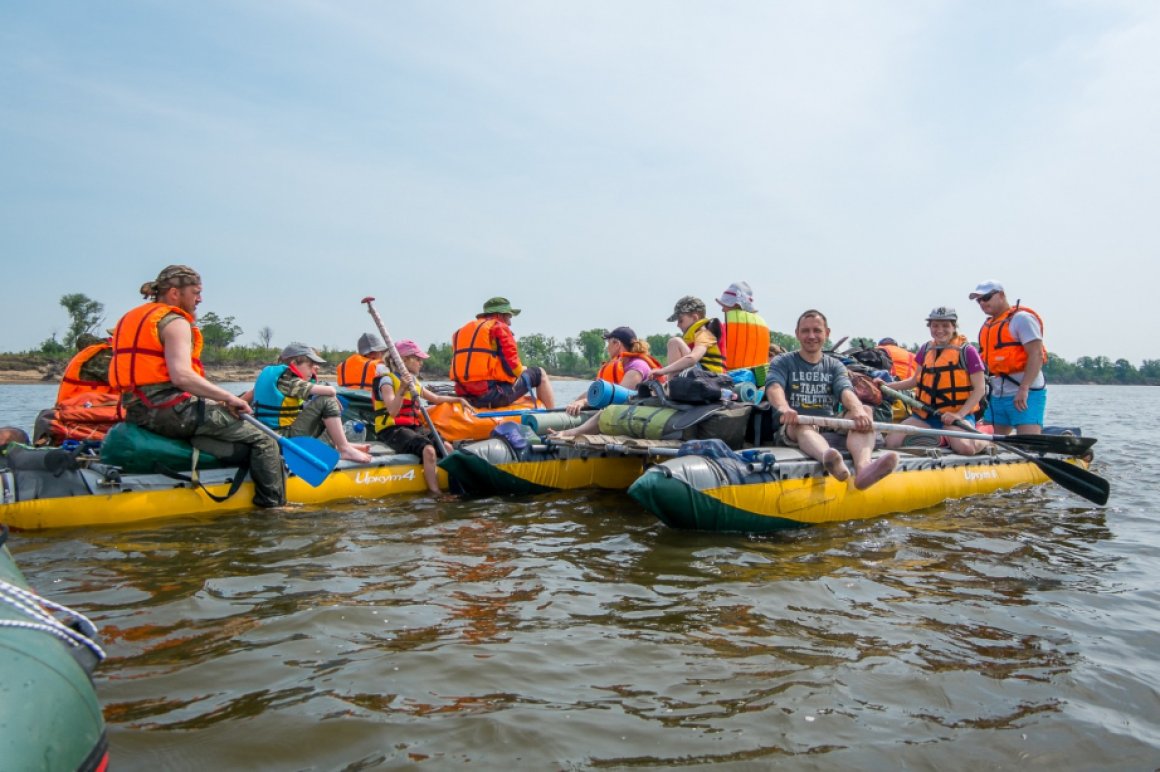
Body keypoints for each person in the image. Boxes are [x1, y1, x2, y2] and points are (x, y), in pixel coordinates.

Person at [109, 265, 286, 508]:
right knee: (265, 439)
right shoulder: (175, 321)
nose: (199, 299)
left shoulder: (130, 318)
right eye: (195, 292)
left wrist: (218, 401)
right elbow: (182, 377)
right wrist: (230, 398)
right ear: (174, 293)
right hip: (171, 413)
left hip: (137, 411)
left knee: (223, 419)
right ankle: (274, 506)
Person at [765, 309, 898, 490]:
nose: (811, 336)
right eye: (805, 331)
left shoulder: (834, 365)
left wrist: (858, 411)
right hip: (795, 423)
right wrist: (783, 407)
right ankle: (830, 458)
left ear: (826, 333)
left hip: (827, 422)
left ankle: (863, 468)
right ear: (797, 334)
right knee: (802, 425)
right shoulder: (782, 361)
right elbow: (774, 387)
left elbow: (846, 391)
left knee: (865, 411)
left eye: (817, 331)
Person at [880, 307, 987, 455]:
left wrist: (959, 415)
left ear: (954, 327)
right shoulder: (925, 349)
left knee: (966, 449)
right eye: (935, 325)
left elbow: (980, 388)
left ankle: (984, 435)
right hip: (926, 415)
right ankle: (941, 438)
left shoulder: (967, 351)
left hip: (954, 415)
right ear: (929, 327)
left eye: (945, 326)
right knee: (891, 442)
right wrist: (887, 386)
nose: (939, 330)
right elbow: (914, 381)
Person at [245, 343, 372, 463]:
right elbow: (329, 390)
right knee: (327, 401)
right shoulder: (288, 380)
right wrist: (332, 394)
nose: (314, 369)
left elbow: (246, 398)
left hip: (272, 435)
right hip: (282, 439)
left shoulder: (274, 378)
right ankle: (344, 448)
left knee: (323, 409)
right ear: (294, 363)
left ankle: (341, 445)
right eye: (310, 365)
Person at [374, 339, 470, 494]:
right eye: (417, 359)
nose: (421, 363)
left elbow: (436, 399)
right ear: (404, 360)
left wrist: (458, 399)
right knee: (429, 450)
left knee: (447, 446)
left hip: (413, 427)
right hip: (392, 430)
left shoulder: (413, 381)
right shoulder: (387, 380)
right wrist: (402, 390)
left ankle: (456, 486)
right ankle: (435, 493)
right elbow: (392, 411)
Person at [970, 280, 1047, 435]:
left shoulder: (1022, 319)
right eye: (979, 300)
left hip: (1027, 391)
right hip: (998, 394)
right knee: (988, 444)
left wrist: (1024, 388)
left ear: (1001, 295)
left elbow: (1036, 354)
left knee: (1028, 444)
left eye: (986, 298)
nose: (982, 303)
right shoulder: (987, 326)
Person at [450, 297, 556, 410]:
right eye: (509, 317)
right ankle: (553, 415)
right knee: (539, 373)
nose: (510, 323)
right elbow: (513, 369)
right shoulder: (499, 327)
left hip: (465, 393)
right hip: (492, 395)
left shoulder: (460, 331)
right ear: (500, 315)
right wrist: (523, 369)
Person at [564, 327, 662, 416]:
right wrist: (575, 403)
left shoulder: (637, 366)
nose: (607, 348)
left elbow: (618, 396)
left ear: (617, 344)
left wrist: (584, 402)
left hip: (637, 414)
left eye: (608, 343)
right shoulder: (620, 366)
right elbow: (595, 392)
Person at [649, 296, 725, 380]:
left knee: (674, 342)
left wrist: (663, 371)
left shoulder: (704, 334)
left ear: (695, 318)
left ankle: (672, 387)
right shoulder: (695, 335)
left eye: (681, 320)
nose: (678, 325)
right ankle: (671, 384)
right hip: (705, 376)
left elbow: (693, 358)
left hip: (710, 379)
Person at [716, 282, 771, 387]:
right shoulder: (763, 323)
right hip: (757, 382)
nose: (722, 309)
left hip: (731, 379)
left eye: (725, 305)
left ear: (736, 304)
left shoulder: (725, 324)